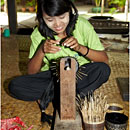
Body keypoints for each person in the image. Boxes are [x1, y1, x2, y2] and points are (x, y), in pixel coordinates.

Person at [8, 0, 111, 124]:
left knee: (103, 70)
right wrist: (41, 50)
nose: (57, 24)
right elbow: (32, 72)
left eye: (62, 17)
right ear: (42, 17)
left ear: (70, 12)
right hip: (52, 79)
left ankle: (57, 96)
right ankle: (71, 95)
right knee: (14, 86)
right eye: (50, 20)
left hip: (80, 75)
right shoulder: (39, 34)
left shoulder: (82, 25)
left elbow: (104, 60)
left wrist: (80, 48)